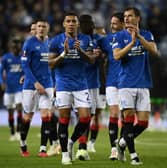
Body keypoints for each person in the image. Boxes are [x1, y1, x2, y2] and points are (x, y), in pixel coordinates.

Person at [48, 12, 98, 165]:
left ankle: (70, 142)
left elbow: (90, 60)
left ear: (78, 24)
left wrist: (80, 51)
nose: (71, 23)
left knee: (85, 118)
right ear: (64, 24)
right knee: (64, 119)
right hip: (63, 85)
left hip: (81, 85)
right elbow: (50, 63)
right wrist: (64, 53)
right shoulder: (56, 40)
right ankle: (64, 154)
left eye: (73, 21)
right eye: (68, 21)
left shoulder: (85, 39)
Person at [112, 7, 159, 165]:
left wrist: (139, 37)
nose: (126, 18)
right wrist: (132, 43)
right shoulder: (119, 36)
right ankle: (133, 155)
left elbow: (154, 51)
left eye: (130, 16)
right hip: (126, 84)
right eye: (125, 16)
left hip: (143, 83)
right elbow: (117, 56)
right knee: (129, 121)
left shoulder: (147, 34)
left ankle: (121, 143)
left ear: (138, 18)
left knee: (144, 123)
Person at [20, 19, 54, 158]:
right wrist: (35, 83)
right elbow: (25, 65)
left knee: (46, 115)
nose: (40, 28)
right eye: (39, 26)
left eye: (43, 26)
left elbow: (51, 64)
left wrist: (54, 82)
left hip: (47, 84)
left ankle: (43, 149)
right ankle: (23, 143)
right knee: (28, 116)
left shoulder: (50, 43)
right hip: (30, 85)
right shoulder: (29, 43)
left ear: (47, 28)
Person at [75, 14, 106, 161]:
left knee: (90, 117)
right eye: (89, 23)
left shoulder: (99, 39)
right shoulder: (76, 40)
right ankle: (79, 147)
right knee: (80, 116)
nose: (92, 26)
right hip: (77, 84)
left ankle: (82, 145)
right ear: (82, 25)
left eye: (93, 23)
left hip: (93, 83)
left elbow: (108, 50)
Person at [101, 12, 124, 160]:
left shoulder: (130, 38)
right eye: (111, 23)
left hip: (127, 83)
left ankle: (122, 145)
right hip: (111, 82)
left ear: (122, 23)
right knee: (114, 114)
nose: (112, 25)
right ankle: (114, 149)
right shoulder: (107, 40)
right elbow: (96, 48)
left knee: (126, 116)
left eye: (115, 23)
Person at [0, 36, 24, 141]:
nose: (15, 45)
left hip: (20, 88)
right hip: (9, 89)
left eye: (17, 43)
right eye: (14, 43)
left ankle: (18, 131)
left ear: (20, 45)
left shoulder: (23, 57)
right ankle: (12, 133)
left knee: (19, 108)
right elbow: (0, 72)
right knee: (10, 111)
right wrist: (1, 82)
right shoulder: (6, 58)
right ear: (11, 46)